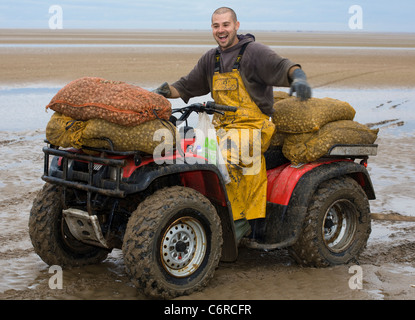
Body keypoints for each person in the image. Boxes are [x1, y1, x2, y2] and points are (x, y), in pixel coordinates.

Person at [154, 7, 311, 242]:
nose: (221, 30)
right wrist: (164, 92)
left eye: (226, 25)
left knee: (228, 157)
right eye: (216, 26)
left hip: (253, 127)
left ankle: (243, 222)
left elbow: (283, 66)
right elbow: (186, 85)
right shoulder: (211, 58)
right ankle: (201, 211)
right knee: (189, 154)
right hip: (221, 126)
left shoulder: (254, 52)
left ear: (236, 25)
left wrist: (298, 77)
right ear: (212, 29)